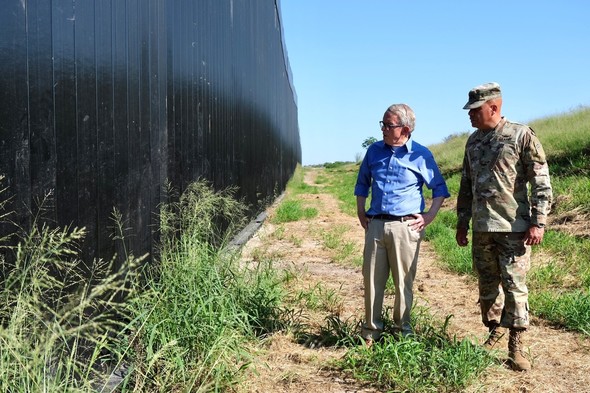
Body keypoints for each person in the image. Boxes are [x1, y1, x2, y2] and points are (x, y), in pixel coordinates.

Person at [455, 82, 553, 371]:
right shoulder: (472, 142)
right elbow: (465, 185)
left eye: (475, 110)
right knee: (487, 284)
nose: (470, 115)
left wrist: (539, 222)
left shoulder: (521, 135)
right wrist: (462, 223)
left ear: (494, 107)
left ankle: (516, 345)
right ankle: (494, 330)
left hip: (514, 227)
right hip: (483, 227)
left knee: (514, 285)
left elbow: (541, 181)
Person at [355, 103, 450, 344]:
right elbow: (362, 182)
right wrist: (360, 210)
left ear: (405, 129)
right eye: (383, 124)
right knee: (372, 282)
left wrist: (429, 216)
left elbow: (439, 188)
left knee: (403, 283)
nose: (384, 129)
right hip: (375, 225)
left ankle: (402, 334)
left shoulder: (420, 155)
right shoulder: (374, 151)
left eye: (389, 125)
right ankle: (370, 333)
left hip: (405, 228)